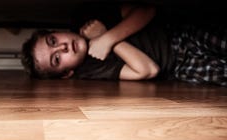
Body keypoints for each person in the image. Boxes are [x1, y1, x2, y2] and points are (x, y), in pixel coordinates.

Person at [21, 2, 227, 86]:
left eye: (53, 41)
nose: (62, 47)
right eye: (56, 59)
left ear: (57, 32)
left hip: (180, 34)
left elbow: (146, 10)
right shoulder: (90, 70)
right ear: (67, 73)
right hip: (180, 68)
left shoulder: (85, 16)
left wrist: (106, 37)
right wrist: (106, 41)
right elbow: (148, 70)